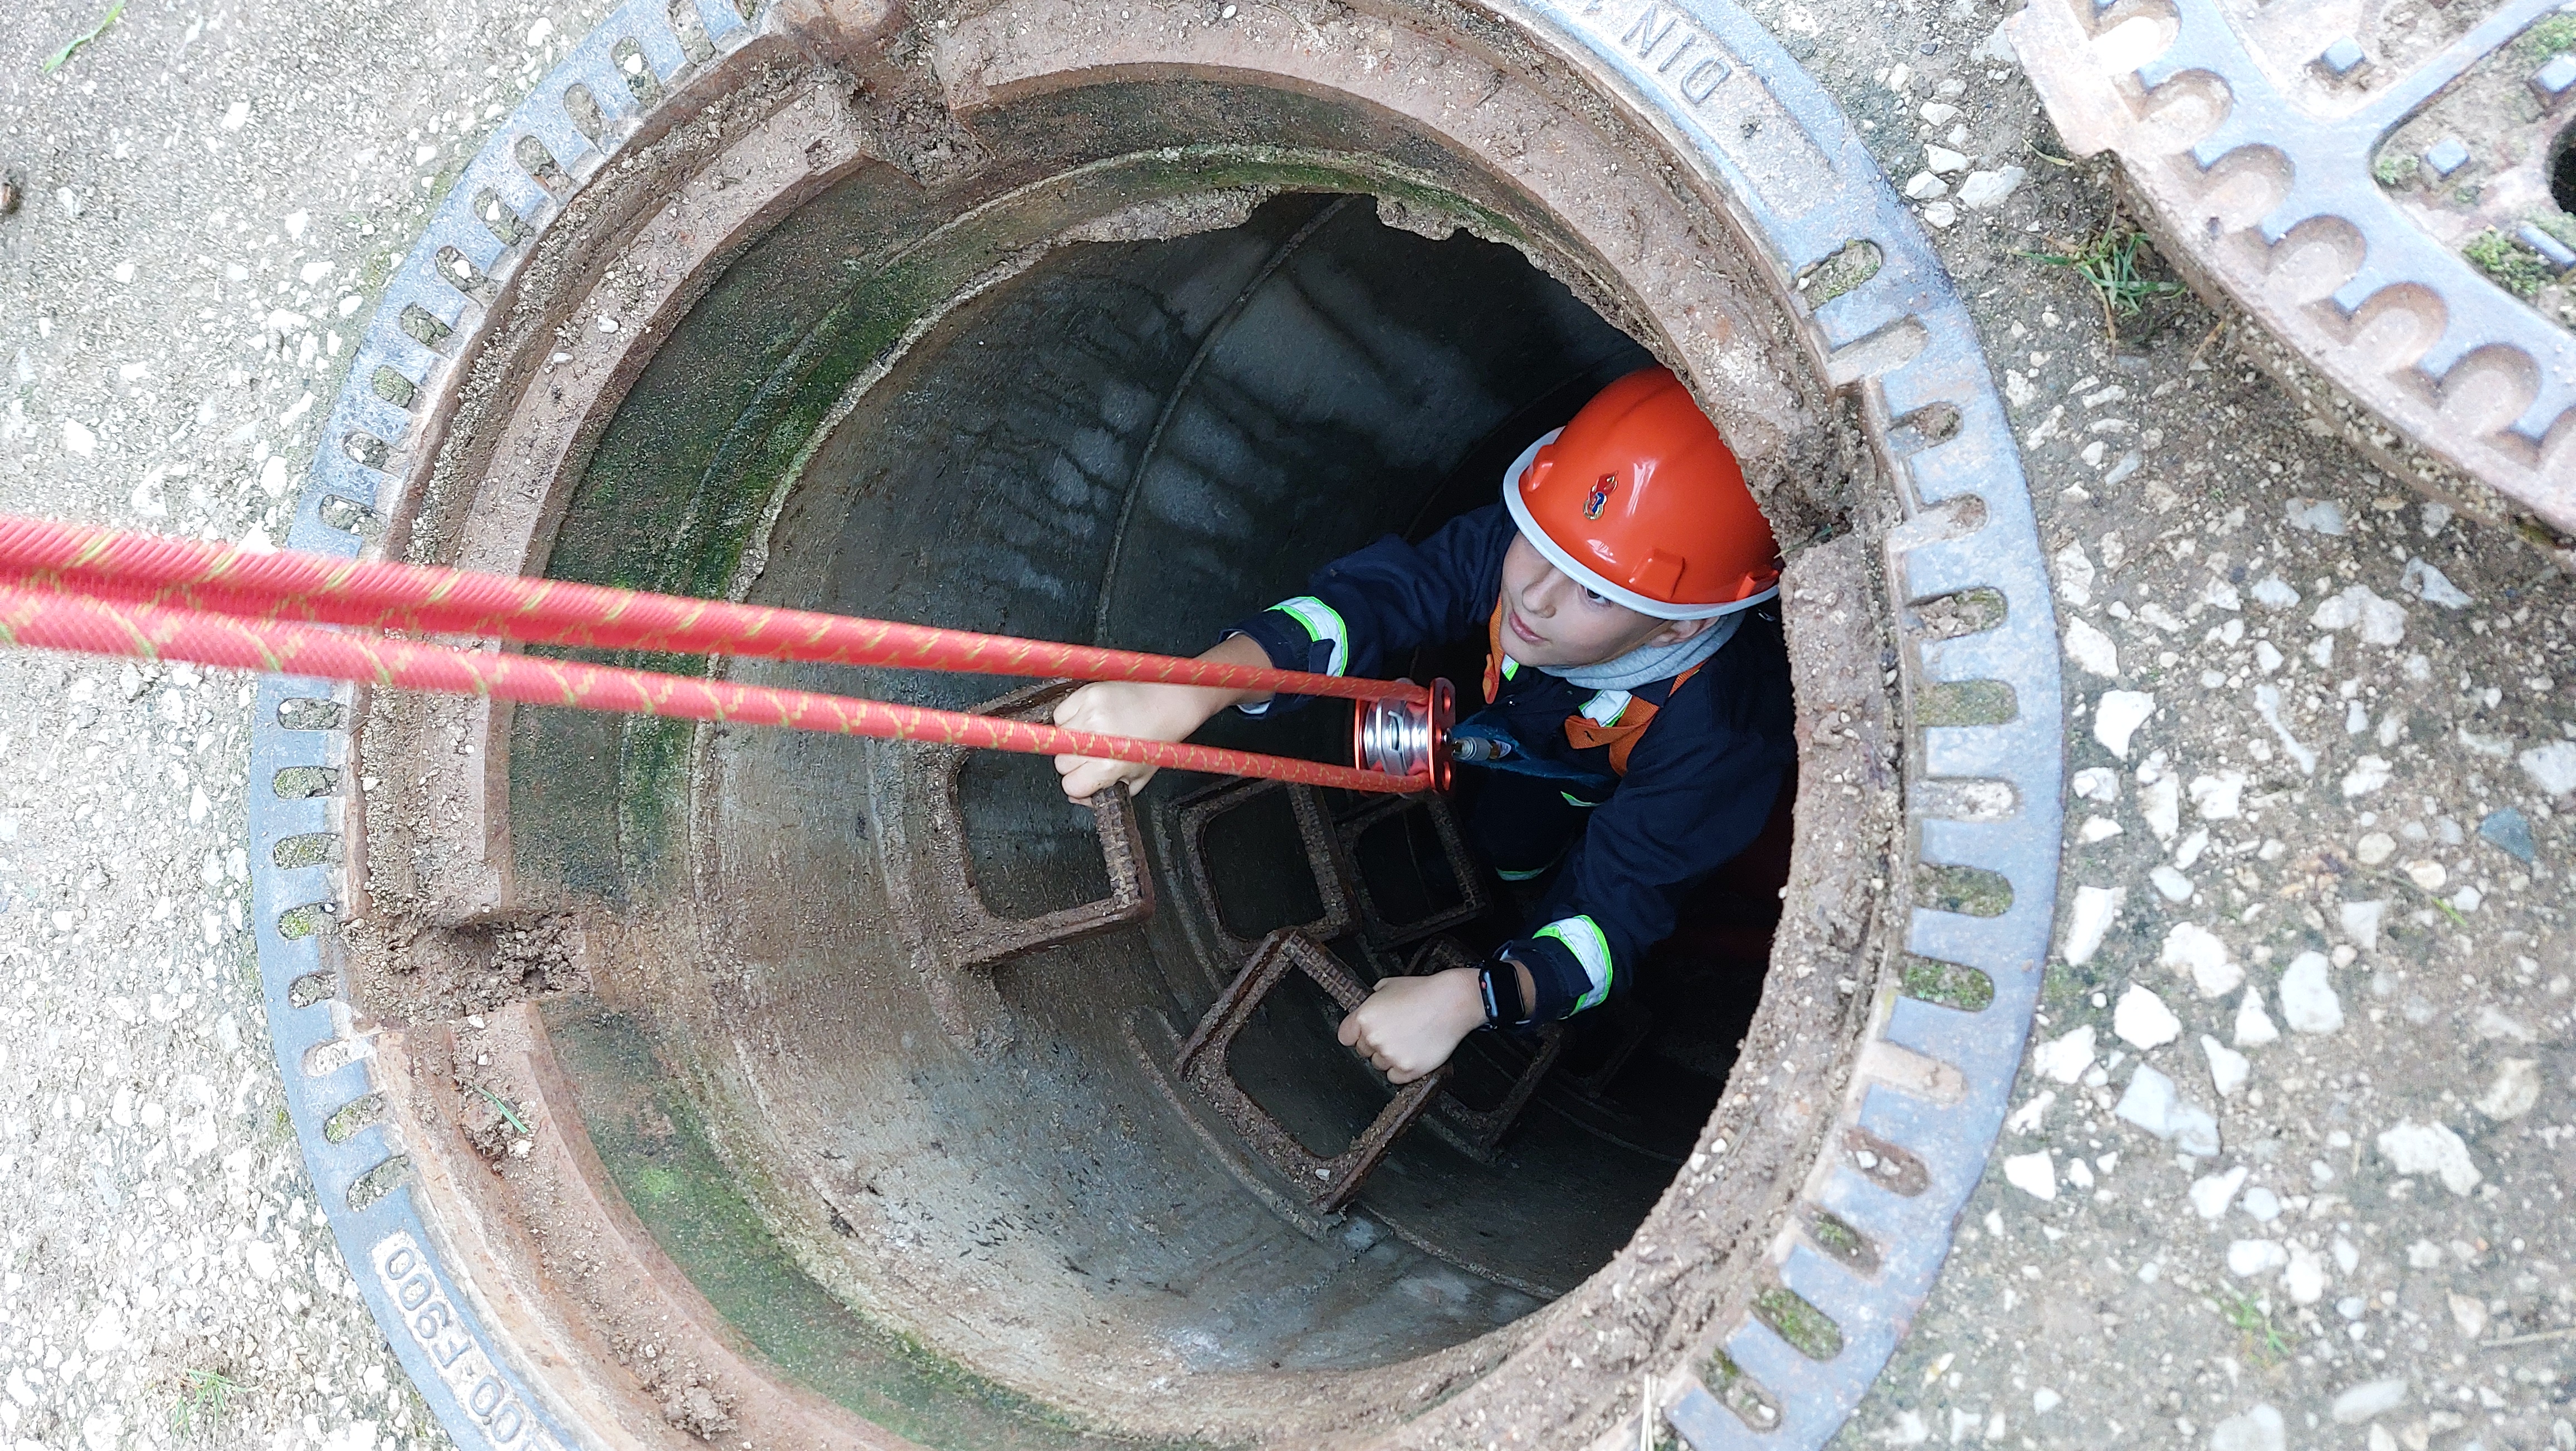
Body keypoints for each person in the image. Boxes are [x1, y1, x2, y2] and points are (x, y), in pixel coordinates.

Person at [1053, 366, 1796, 1086]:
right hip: (1529, 747)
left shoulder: (1719, 735)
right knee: (1506, 841)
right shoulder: (1558, 538)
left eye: (1597, 595)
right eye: (1539, 545)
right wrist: (1196, 690)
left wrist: (1475, 996)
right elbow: (1375, 602)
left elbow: (1618, 913)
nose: (1535, 596)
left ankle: (1515, 903)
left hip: (1609, 790)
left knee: (1545, 864)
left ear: (1671, 630)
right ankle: (1498, 876)